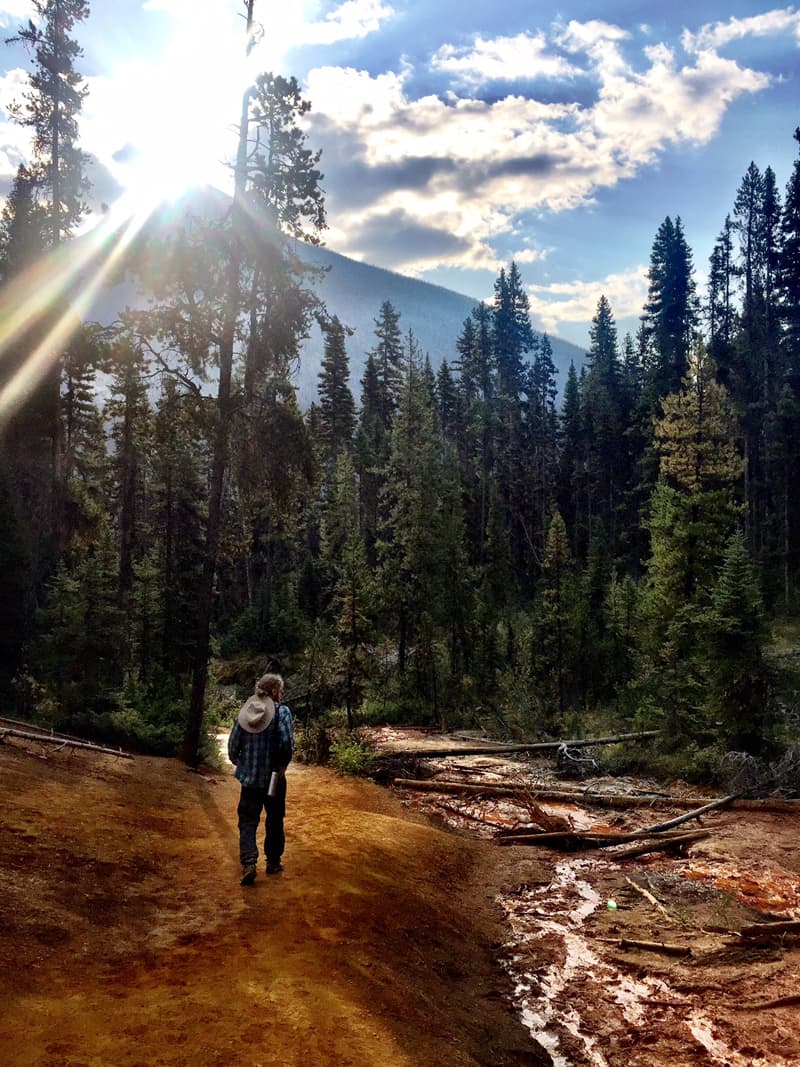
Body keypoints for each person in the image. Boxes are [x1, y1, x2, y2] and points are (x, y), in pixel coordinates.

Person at [227, 672, 294, 886]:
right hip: (273, 777)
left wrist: (241, 763)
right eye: (280, 690)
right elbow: (286, 742)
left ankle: (249, 862)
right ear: (274, 691)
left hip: (250, 780)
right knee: (274, 817)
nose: (281, 694)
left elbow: (233, 744)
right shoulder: (282, 712)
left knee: (247, 819)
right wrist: (283, 765)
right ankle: (273, 861)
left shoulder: (247, 711)